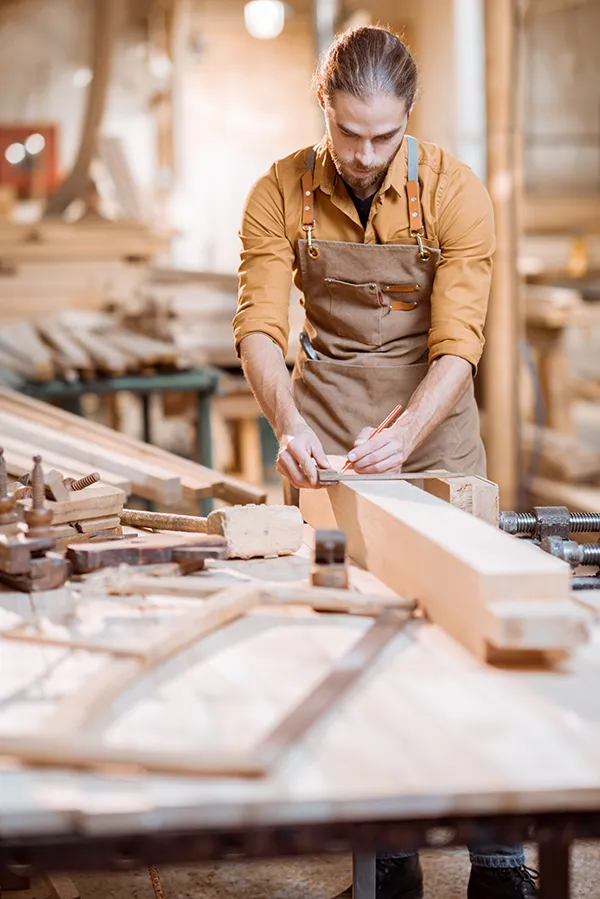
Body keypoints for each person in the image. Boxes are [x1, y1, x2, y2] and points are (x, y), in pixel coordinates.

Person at [233, 24, 538, 899]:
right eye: (348, 133)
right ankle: (391, 861)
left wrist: (407, 436)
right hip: (324, 434)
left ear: (410, 115)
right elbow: (257, 326)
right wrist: (288, 424)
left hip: (434, 427)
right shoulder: (276, 192)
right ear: (321, 110)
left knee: (469, 635)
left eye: (383, 135)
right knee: (351, 649)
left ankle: (499, 861)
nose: (364, 155)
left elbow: (460, 343)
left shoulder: (455, 192)